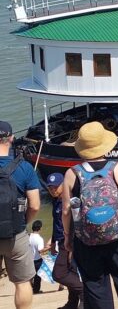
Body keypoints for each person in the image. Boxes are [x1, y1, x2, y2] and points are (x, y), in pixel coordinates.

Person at [61, 121, 118, 308]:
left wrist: (68, 238)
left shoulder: (72, 174)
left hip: (86, 241)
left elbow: (65, 211)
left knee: (95, 286)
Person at [0, 120, 41, 309]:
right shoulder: (24, 168)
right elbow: (34, 205)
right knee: (22, 282)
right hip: (16, 233)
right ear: (11, 138)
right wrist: (24, 222)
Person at [46, 172, 83, 309]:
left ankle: (84, 292)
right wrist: (53, 241)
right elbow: (57, 223)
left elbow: (74, 224)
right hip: (61, 241)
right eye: (50, 188)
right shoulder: (56, 201)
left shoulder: (68, 202)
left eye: (56, 187)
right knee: (71, 272)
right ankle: (72, 303)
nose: (53, 190)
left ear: (63, 185)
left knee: (59, 274)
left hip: (69, 242)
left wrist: (72, 247)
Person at [28, 220, 45, 294]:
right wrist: (49, 248)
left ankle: (28, 289)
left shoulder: (28, 236)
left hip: (29, 259)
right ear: (40, 228)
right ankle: (36, 290)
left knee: (29, 276)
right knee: (38, 276)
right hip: (37, 260)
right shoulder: (39, 239)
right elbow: (40, 251)